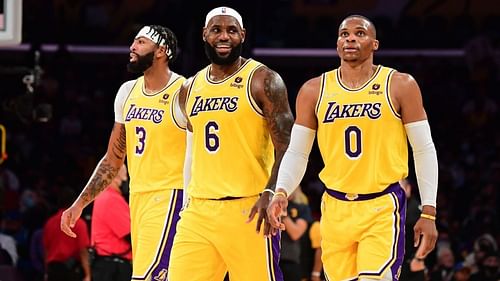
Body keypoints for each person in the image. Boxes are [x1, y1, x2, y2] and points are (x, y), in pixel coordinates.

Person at [268, 15, 439, 281]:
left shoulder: (400, 85)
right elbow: (299, 152)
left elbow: (424, 149)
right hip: (335, 207)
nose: (350, 38)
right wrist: (281, 191)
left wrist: (428, 210)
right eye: (344, 34)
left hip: (381, 205)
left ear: (375, 44)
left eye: (360, 33)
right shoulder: (314, 90)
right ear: (337, 44)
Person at [168, 6, 293, 281]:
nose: (224, 36)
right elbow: (193, 150)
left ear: (243, 36)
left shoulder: (263, 80)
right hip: (199, 213)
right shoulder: (189, 88)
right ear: (204, 35)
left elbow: (288, 146)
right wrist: (187, 200)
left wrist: (272, 192)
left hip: (249, 209)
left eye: (231, 30)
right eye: (216, 30)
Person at [60, 25, 187, 281]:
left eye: (140, 42)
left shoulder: (184, 92)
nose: (132, 47)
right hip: (138, 197)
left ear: (161, 51)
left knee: (147, 277)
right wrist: (79, 203)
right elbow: (113, 159)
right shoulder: (127, 92)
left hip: (172, 195)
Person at [90, 165, 132, 281]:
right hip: (113, 267)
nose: (125, 181)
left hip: (107, 264)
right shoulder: (111, 198)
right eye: (124, 177)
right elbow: (130, 235)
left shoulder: (103, 196)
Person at [43, 189, 91, 281]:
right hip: (71, 270)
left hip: (53, 270)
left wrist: (46, 272)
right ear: (75, 202)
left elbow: (46, 251)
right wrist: (87, 274)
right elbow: (83, 251)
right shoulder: (79, 223)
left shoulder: (49, 223)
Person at [279, 187, 312, 281]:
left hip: (290, 259)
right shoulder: (270, 204)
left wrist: (283, 215)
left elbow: (296, 233)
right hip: (270, 257)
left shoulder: (302, 207)